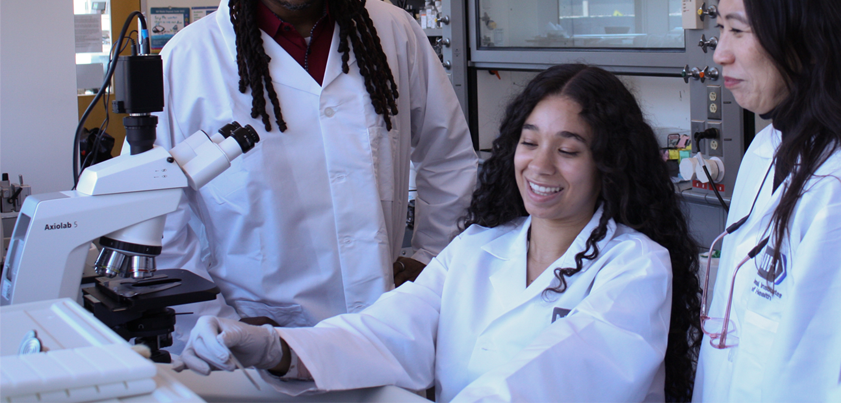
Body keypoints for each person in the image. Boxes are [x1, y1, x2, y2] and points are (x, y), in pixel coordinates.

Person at [176, 64, 702, 403]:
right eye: (529, 142)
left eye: (568, 150)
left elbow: (554, 379)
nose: (540, 166)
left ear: (608, 164)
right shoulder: (479, 248)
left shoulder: (635, 266)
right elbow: (389, 331)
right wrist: (274, 347)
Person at [153, 0, 477, 346]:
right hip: (252, 334)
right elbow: (161, 211)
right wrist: (211, 321)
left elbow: (448, 156)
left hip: (383, 324)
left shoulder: (391, 32)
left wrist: (431, 259)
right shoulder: (190, 58)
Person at [692, 0, 841, 402]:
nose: (720, 52)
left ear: (807, 38)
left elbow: (818, 379)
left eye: (739, 30)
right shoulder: (767, 147)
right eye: (720, 29)